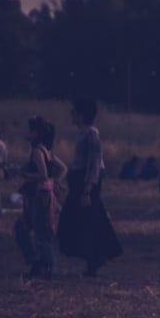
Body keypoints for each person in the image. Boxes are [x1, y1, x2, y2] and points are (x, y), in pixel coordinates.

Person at [57, 98, 122, 278]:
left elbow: (94, 164)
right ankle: (94, 258)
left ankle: (96, 257)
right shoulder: (82, 134)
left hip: (86, 184)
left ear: (81, 114)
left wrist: (87, 190)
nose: (71, 115)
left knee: (87, 221)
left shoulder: (91, 134)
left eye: (74, 112)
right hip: (79, 181)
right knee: (85, 222)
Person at [14, 117, 67, 279]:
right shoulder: (46, 150)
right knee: (30, 230)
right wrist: (57, 180)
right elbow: (63, 168)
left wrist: (24, 174)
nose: (26, 132)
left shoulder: (37, 151)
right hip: (43, 194)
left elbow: (43, 174)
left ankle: (48, 268)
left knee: (40, 233)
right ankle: (40, 264)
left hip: (40, 195)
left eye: (29, 130)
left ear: (36, 133)